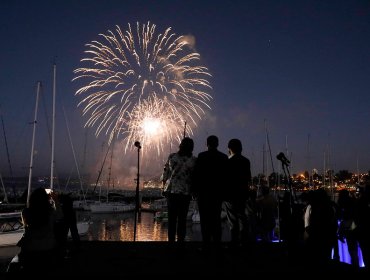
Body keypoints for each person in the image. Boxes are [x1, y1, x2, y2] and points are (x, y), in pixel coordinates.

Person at [8, 187, 58, 274]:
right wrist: (55, 200)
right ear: (46, 199)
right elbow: (60, 215)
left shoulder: (25, 212)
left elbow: (26, 226)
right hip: (47, 248)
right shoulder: (50, 213)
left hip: (30, 249)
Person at [192, 135, 228, 249]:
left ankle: (206, 243)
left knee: (205, 220)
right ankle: (217, 243)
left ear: (207, 144)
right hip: (217, 194)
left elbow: (196, 175)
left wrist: (195, 191)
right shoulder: (223, 157)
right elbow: (226, 177)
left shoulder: (202, 156)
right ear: (217, 144)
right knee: (216, 219)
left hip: (203, 193)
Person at [161, 137, 197, 243]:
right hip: (185, 193)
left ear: (181, 145)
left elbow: (165, 173)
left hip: (171, 192)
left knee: (172, 219)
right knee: (182, 220)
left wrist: (163, 188)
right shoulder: (194, 160)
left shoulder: (172, 157)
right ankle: (180, 242)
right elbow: (194, 177)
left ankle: (171, 242)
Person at [223, 138, 252, 248]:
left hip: (230, 195)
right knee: (242, 217)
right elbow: (248, 178)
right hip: (242, 193)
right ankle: (244, 240)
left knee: (232, 220)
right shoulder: (246, 161)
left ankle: (234, 241)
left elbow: (225, 179)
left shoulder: (228, 162)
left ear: (230, 149)